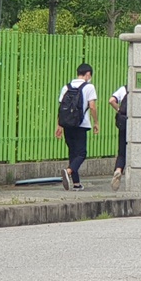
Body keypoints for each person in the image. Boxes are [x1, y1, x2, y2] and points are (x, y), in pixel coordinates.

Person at [54, 63, 99, 191]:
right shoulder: (89, 87)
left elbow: (61, 109)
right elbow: (92, 106)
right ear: (88, 74)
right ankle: (68, 171)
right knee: (81, 153)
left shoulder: (66, 87)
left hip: (67, 124)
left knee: (73, 153)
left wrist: (59, 126)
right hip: (81, 124)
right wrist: (96, 122)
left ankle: (76, 183)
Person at [108, 84, 128, 190]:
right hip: (137, 123)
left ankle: (118, 170)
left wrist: (119, 109)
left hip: (123, 121)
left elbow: (111, 100)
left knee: (122, 151)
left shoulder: (124, 89)